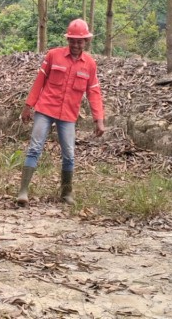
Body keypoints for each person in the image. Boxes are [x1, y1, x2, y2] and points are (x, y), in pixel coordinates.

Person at [16, 19, 106, 206]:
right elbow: (39, 82)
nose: (75, 45)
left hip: (68, 115)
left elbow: (94, 92)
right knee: (34, 148)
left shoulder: (90, 64)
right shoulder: (53, 55)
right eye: (72, 41)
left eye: (79, 41)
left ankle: (66, 194)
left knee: (69, 154)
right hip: (45, 109)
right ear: (68, 40)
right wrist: (28, 106)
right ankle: (23, 191)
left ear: (86, 41)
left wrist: (99, 119)